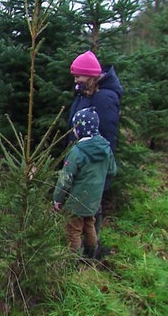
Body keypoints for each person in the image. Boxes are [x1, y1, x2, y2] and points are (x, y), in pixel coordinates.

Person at [67, 50, 123, 239]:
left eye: (78, 76)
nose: (75, 80)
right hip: (80, 156)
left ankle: (90, 250)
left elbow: (107, 138)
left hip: (92, 163)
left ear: (91, 75)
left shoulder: (104, 98)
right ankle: (86, 245)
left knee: (91, 207)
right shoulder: (85, 92)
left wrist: (103, 173)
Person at [53, 108, 117, 259]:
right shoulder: (105, 148)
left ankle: (73, 258)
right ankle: (92, 252)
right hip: (95, 199)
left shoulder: (77, 151)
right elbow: (112, 170)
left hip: (77, 200)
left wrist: (58, 199)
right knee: (89, 224)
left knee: (73, 229)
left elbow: (66, 178)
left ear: (79, 130)